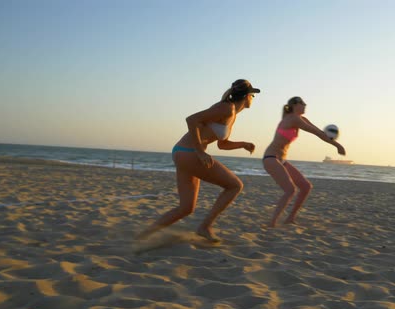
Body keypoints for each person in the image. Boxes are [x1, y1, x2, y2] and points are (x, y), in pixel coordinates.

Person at [136, 79, 260, 242]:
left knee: (186, 208)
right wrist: (200, 152)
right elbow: (191, 120)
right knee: (235, 185)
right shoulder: (225, 108)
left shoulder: (231, 114)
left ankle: (143, 235)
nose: (253, 99)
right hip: (189, 153)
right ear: (246, 96)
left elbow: (222, 145)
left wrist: (243, 144)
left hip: (183, 153)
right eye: (253, 95)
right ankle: (205, 227)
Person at [262, 96, 346, 227]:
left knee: (306, 187)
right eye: (303, 103)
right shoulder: (294, 119)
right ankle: (272, 223)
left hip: (281, 160)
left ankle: (290, 218)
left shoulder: (300, 119)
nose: (305, 105)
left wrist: (333, 141)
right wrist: (337, 146)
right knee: (290, 190)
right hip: (271, 158)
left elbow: (319, 131)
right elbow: (316, 133)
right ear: (295, 105)